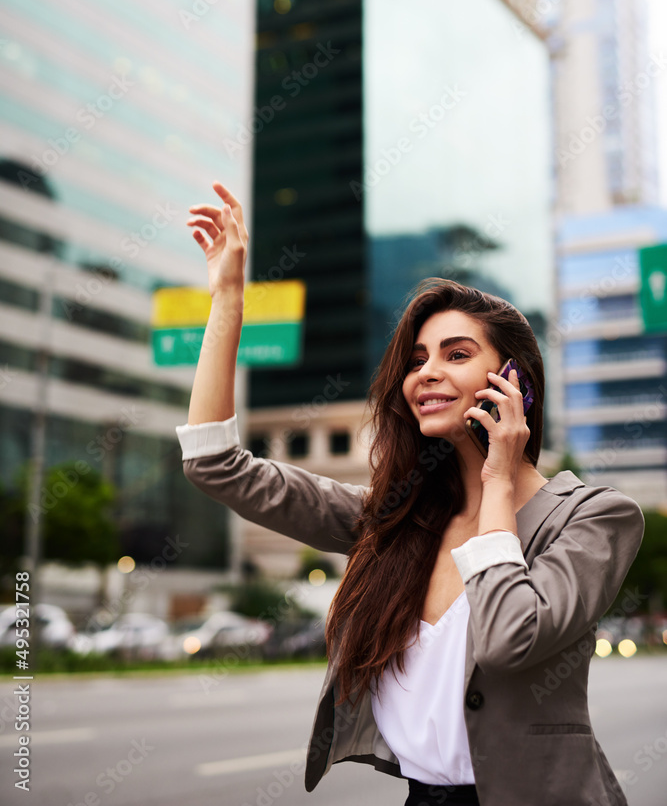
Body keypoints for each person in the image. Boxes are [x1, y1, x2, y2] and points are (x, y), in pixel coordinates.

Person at [176, 181, 645, 806]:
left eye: (456, 354)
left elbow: (510, 639)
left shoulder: (595, 518)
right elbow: (217, 465)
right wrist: (229, 299)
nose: (426, 372)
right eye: (417, 358)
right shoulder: (395, 517)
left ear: (514, 381)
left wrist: (498, 478)